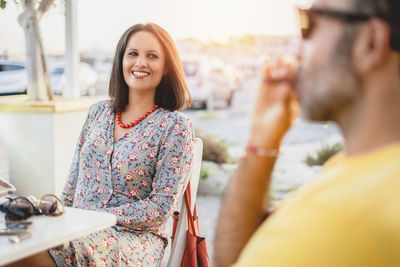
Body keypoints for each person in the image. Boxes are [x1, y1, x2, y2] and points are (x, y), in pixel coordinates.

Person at [214, 0, 400, 266]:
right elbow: (243, 255)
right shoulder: (367, 171)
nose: (297, 51)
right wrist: (262, 141)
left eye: (308, 25)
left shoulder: (335, 221)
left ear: (370, 42)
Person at [7, 23, 194, 267]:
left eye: (152, 56)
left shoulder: (175, 126)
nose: (140, 63)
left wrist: (96, 219)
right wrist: (55, 215)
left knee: (32, 253)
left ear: (167, 66)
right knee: (20, 239)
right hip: (77, 227)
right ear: (121, 60)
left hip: (134, 240)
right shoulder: (98, 112)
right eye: (133, 54)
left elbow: (160, 208)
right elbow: (72, 187)